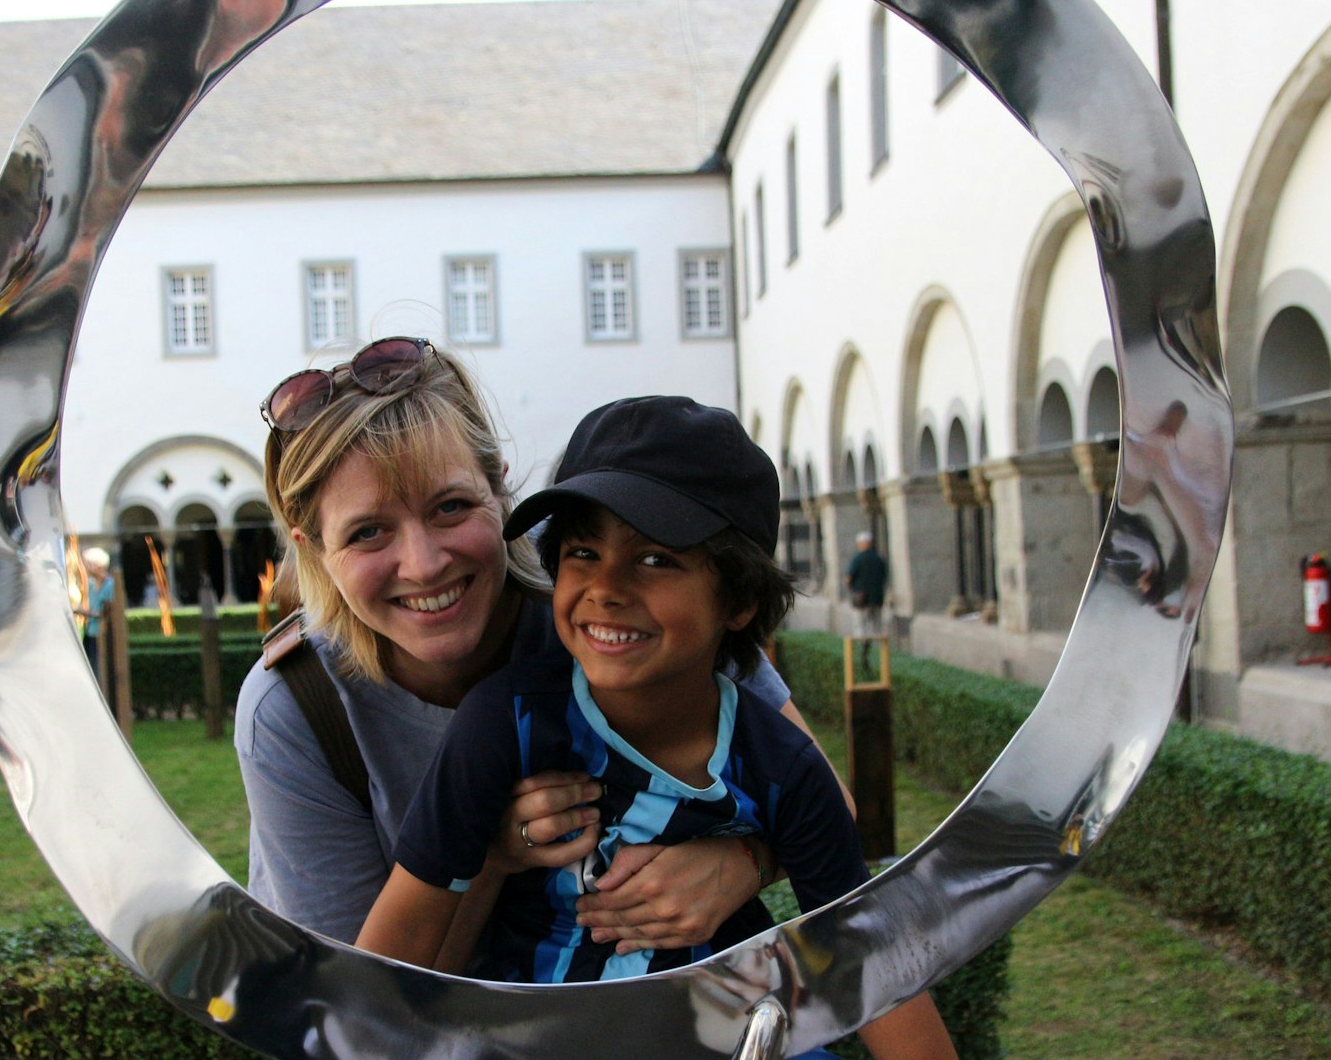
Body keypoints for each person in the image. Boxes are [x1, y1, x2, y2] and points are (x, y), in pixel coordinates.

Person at [356, 397, 954, 1058]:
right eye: (582, 550)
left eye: (656, 559)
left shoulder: (782, 767)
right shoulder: (507, 724)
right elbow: (394, 949)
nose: (605, 587)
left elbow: (872, 964)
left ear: (740, 597)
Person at [236, 338, 834, 953]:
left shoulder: (605, 599)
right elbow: (364, 1000)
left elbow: (819, 797)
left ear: (500, 488)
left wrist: (743, 859)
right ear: (313, 551)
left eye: (450, 507)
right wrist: (487, 856)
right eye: (367, 532)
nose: (422, 564)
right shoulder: (293, 709)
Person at [845, 529, 888, 673]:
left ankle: (862, 656)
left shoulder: (858, 558)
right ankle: (878, 659)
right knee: (876, 628)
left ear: (863, 544)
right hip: (877, 599)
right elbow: (884, 577)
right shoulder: (879, 558)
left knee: (860, 628)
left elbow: (849, 578)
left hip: (861, 601)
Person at [75, 547, 114, 670]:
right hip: (90, 632)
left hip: (103, 634)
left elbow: (109, 611)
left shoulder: (110, 585)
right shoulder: (91, 584)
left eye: (89, 564)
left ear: (98, 565)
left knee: (100, 669)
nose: (86, 567)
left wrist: (85, 612)